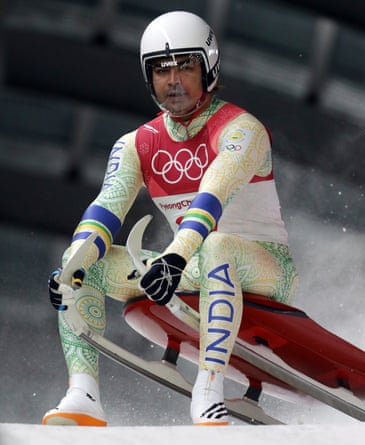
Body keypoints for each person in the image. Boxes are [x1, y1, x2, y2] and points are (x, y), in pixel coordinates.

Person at [42, 10, 298, 427]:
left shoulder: (240, 129)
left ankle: (209, 391)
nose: (173, 80)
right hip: (192, 264)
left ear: (209, 68)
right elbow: (107, 208)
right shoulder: (135, 144)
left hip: (266, 267)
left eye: (186, 66)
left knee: (216, 244)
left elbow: (212, 197)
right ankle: (83, 395)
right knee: (80, 263)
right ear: (149, 77)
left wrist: (175, 256)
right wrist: (75, 265)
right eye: (161, 70)